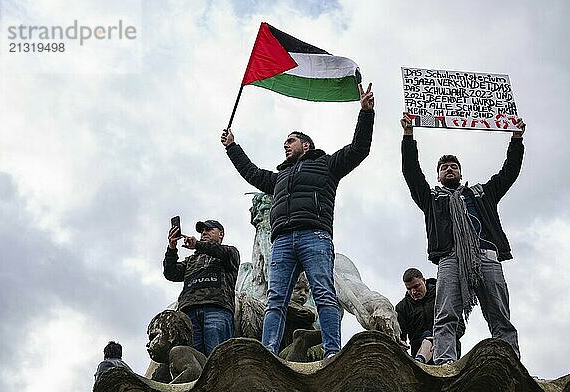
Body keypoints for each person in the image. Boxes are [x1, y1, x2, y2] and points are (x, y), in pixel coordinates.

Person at [221, 83, 375, 359]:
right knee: (275, 300)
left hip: (314, 236)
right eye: (285, 143)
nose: (285, 145)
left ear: (306, 145)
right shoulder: (279, 177)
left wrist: (365, 114)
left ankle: (331, 352)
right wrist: (233, 147)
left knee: (324, 293)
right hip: (281, 241)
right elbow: (252, 173)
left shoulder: (327, 164)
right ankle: (268, 353)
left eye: (290, 141)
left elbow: (358, 149)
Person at [400, 112, 525, 364]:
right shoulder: (432, 199)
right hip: (449, 259)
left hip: (486, 256)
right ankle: (444, 363)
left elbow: (509, 172)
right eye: (444, 167)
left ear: (460, 172)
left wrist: (516, 139)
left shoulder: (482, 194)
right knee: (445, 314)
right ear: (438, 176)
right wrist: (408, 136)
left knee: (499, 315)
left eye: (453, 166)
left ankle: (510, 363)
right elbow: (412, 174)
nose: (449, 169)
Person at [164, 219, 240, 357]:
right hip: (188, 313)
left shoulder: (230, 252)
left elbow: (221, 252)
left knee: (219, 359)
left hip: (217, 309)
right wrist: (172, 248)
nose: (204, 232)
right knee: (194, 363)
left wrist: (197, 245)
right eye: (202, 231)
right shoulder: (191, 260)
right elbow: (171, 273)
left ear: (221, 234)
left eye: (209, 229)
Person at [396, 268, 465, 364]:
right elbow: (400, 336)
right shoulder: (402, 307)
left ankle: (421, 358)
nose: (413, 292)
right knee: (426, 336)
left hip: (447, 349)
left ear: (424, 281)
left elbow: (460, 325)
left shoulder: (442, 296)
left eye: (416, 286)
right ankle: (421, 358)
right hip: (418, 351)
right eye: (409, 289)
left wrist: (440, 338)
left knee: (429, 335)